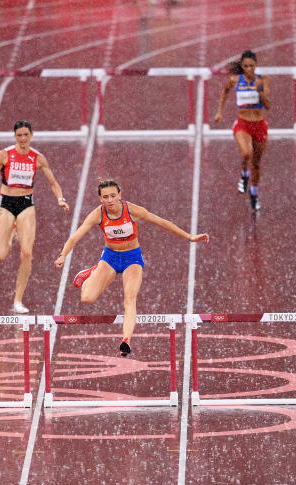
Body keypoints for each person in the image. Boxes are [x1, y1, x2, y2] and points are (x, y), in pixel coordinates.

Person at [54, 179, 209, 356]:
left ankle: (126, 340)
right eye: (106, 197)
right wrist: (62, 255)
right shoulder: (98, 214)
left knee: (130, 298)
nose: (110, 200)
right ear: (100, 199)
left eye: (113, 196)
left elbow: (162, 222)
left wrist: (189, 237)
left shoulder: (132, 210)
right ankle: (93, 272)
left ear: (120, 195)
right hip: (110, 258)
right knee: (87, 298)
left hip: (132, 258)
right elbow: (75, 237)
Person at [0, 120, 70, 313]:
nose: (22, 139)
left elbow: (53, 183)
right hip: (5, 204)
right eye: (19, 135)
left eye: (25, 135)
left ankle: (17, 300)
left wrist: (60, 199)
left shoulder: (37, 158)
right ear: (15, 137)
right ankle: (12, 233)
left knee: (27, 253)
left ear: (31, 136)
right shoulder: (4, 155)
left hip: (26, 204)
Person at [214, 50, 271, 211]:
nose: (249, 69)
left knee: (257, 164)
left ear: (256, 65)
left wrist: (260, 91)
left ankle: (254, 193)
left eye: (251, 66)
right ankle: (244, 175)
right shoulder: (235, 80)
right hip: (243, 124)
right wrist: (219, 111)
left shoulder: (263, 80)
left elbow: (268, 105)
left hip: (259, 125)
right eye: (245, 66)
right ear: (242, 66)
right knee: (247, 153)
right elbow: (224, 91)